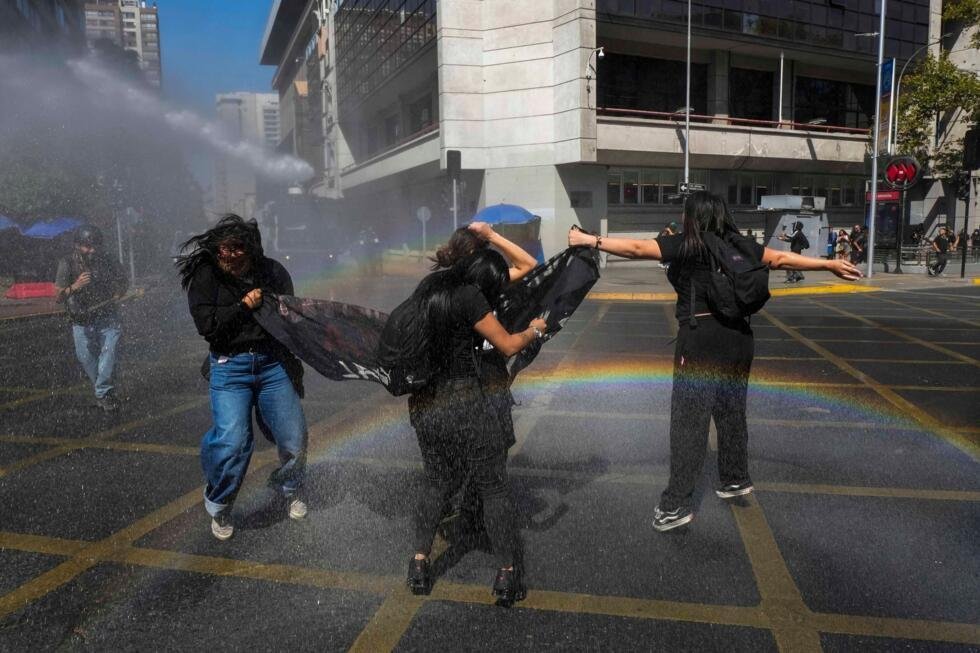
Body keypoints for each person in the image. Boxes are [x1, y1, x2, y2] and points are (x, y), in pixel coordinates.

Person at [568, 191, 861, 532]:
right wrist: (828, 264)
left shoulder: (690, 244)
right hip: (739, 340)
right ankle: (734, 478)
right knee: (731, 411)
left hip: (701, 338)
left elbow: (637, 249)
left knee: (689, 424)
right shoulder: (740, 244)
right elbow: (780, 259)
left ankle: (675, 505)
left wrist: (589, 239)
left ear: (694, 216)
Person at [405, 221, 542, 606]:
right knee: (493, 486)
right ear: (475, 258)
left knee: (435, 482)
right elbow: (509, 345)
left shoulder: (427, 289)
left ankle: (418, 562)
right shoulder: (470, 296)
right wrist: (535, 330)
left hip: (427, 404)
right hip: (469, 401)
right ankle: (507, 572)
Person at [176, 215, 309, 541]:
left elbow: (289, 316)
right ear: (216, 248)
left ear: (252, 249)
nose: (232, 255)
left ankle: (290, 488)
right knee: (233, 442)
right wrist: (243, 306)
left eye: (240, 248)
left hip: (271, 364)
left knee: (294, 436)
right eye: (226, 248)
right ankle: (220, 504)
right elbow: (208, 327)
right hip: (229, 367)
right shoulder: (204, 276)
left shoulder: (272, 272)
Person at [55, 224, 128, 412]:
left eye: (95, 246)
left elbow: (123, 281)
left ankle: (103, 392)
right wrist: (76, 286)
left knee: (109, 351)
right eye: (88, 246)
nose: (92, 250)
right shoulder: (67, 263)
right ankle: (103, 389)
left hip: (107, 315)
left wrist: (120, 291)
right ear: (78, 245)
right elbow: (58, 297)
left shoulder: (108, 259)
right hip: (80, 318)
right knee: (86, 357)